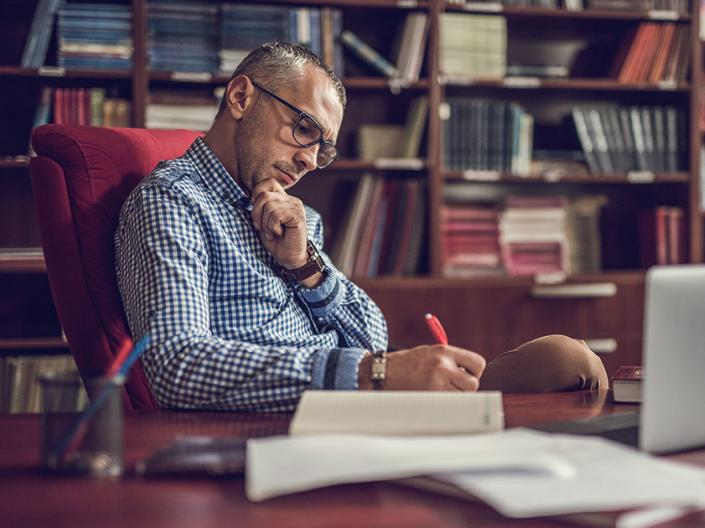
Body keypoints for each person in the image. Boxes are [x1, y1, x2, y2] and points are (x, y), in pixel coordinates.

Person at [115, 42, 607, 411]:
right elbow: (177, 367)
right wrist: (372, 374)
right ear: (242, 96)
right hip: (302, 420)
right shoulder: (174, 201)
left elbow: (372, 331)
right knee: (567, 368)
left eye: (322, 148)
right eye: (303, 128)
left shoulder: (288, 215)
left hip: (362, 399)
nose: (309, 159)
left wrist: (306, 268)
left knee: (569, 362)